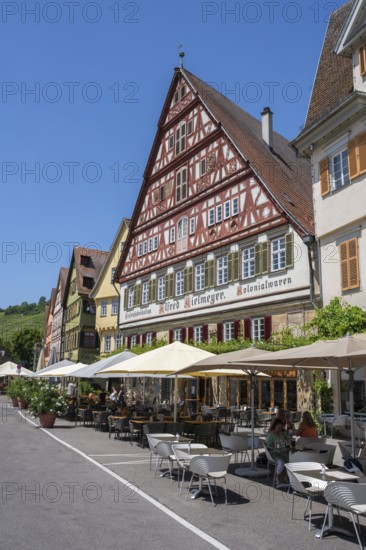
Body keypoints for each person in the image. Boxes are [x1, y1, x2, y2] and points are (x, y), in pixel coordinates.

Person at [265, 418, 292, 487]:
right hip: (275, 453)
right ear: (275, 426)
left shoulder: (283, 433)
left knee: (292, 462)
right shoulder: (271, 434)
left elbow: (289, 440)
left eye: (281, 427)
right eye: (279, 427)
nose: (280, 428)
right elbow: (267, 445)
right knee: (281, 462)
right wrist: (274, 447)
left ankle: (286, 478)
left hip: (284, 452)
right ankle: (277, 477)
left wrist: (288, 442)